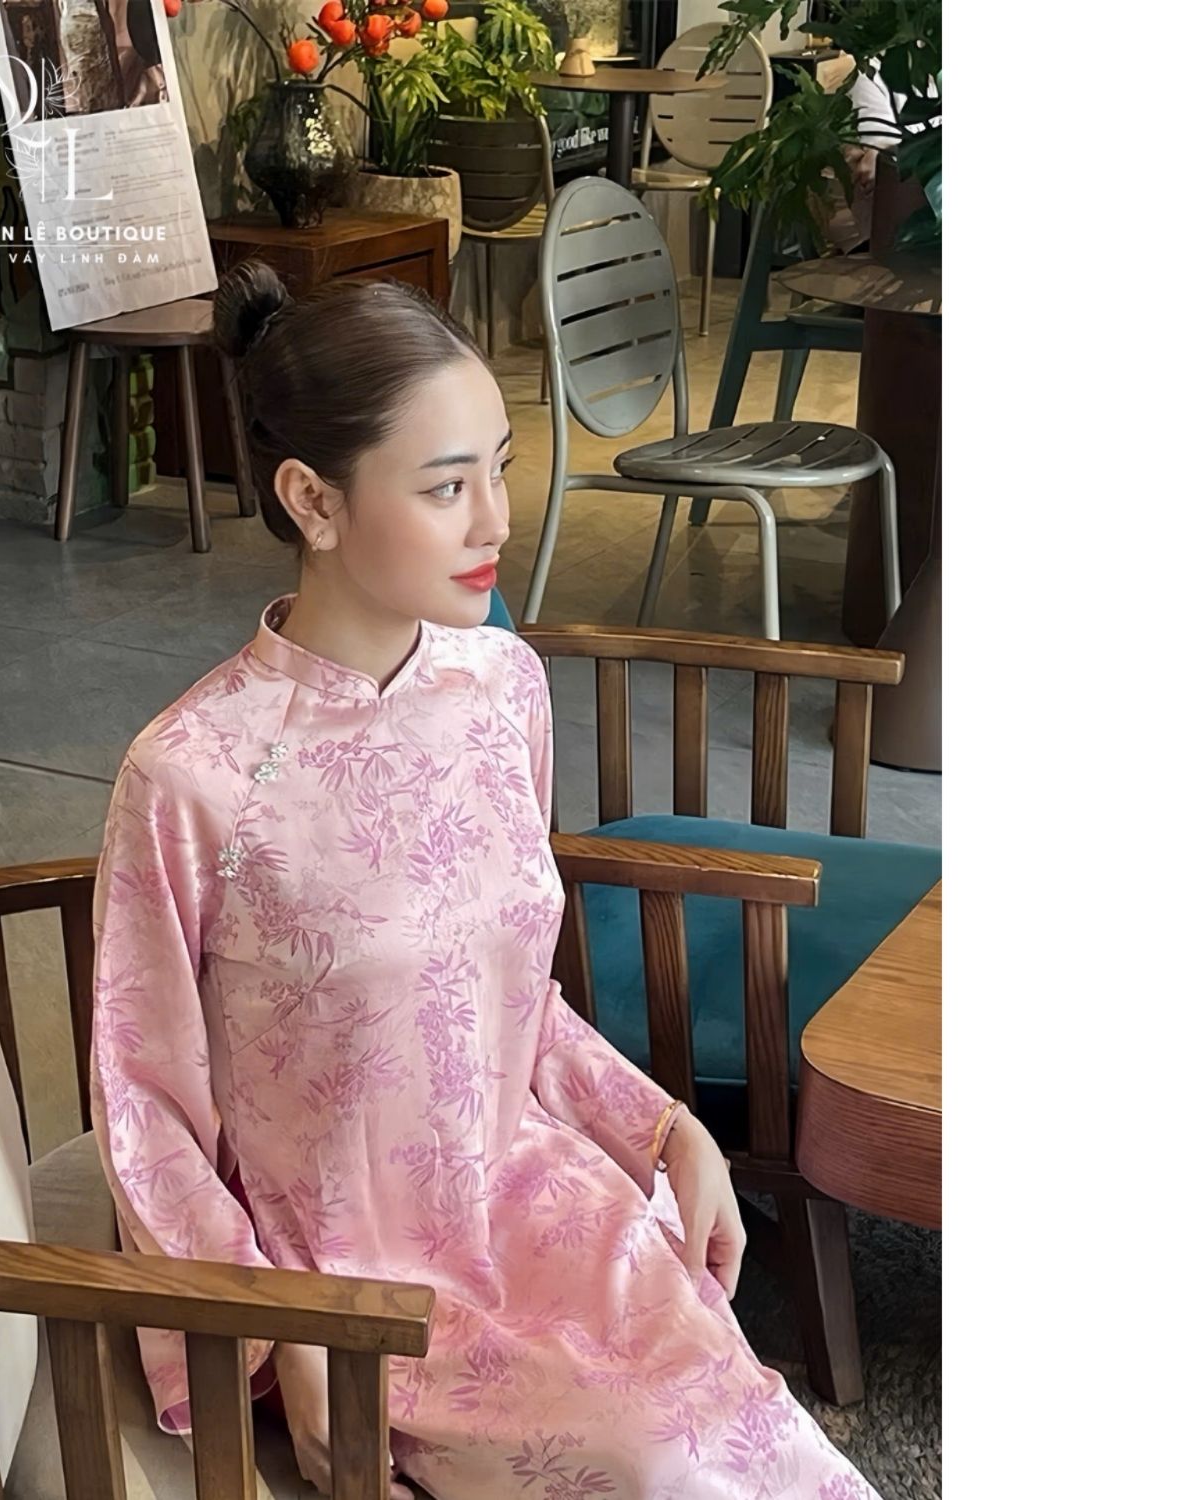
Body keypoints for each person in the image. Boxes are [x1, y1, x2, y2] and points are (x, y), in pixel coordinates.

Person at [89, 261, 880, 1498]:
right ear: (313, 500)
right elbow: (146, 1106)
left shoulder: (504, 686)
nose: (496, 523)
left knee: (761, 1441)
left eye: (500, 469)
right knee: (664, 1461)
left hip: (535, 1193)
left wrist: (663, 1126)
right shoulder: (193, 777)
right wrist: (277, 1331)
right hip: (357, 1284)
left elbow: (509, 1000)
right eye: (447, 486)